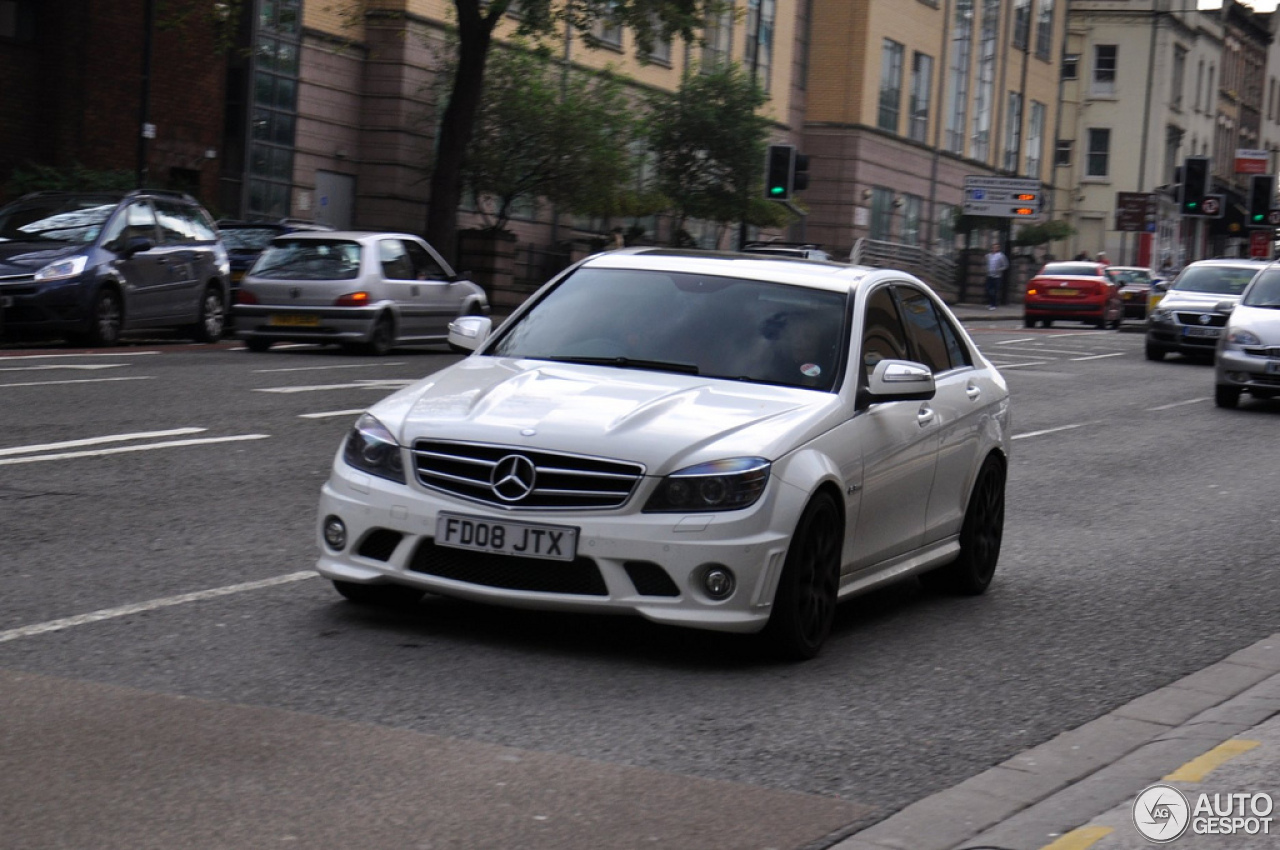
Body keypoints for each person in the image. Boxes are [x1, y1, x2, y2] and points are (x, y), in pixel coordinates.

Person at [985, 241, 1009, 311]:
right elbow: (987, 262)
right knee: (988, 289)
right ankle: (990, 303)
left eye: (996, 247)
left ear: (998, 248)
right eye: (993, 247)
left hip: (997, 276)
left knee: (994, 291)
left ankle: (993, 304)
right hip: (989, 274)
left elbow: (1006, 265)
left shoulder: (1001, 256)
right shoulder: (989, 255)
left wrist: (1000, 269)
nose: (994, 249)